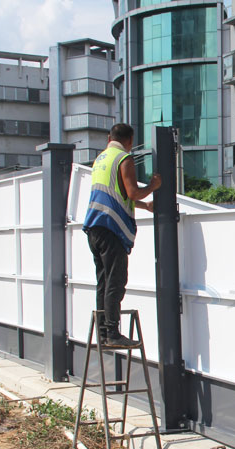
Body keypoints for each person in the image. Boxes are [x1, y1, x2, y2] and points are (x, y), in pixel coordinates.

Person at [82, 123, 161, 348]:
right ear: (130, 141)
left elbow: (116, 194)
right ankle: (113, 332)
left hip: (94, 227)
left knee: (103, 281)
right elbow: (132, 192)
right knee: (116, 281)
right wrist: (153, 186)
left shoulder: (101, 159)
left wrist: (145, 206)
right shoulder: (123, 159)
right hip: (111, 227)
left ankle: (103, 333)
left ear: (109, 138)